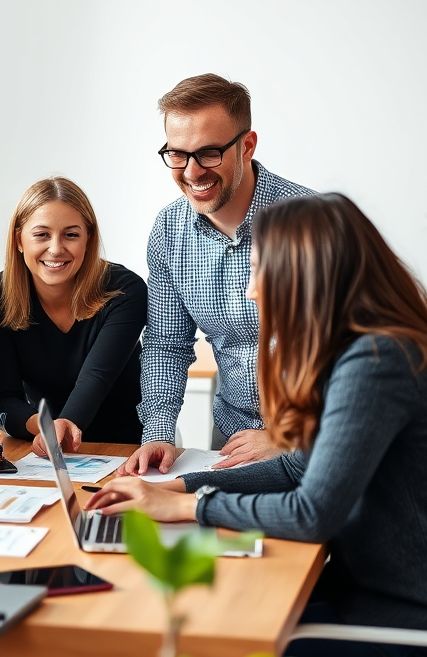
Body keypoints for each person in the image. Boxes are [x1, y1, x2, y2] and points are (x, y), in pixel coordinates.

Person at [88, 193, 427, 657]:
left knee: (159, 655)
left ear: (305, 277)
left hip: (415, 645)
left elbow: (312, 513)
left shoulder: (376, 362)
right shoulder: (371, 346)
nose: (251, 293)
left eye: (260, 273)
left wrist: (192, 508)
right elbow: (301, 468)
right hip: (402, 609)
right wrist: (180, 490)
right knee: (190, 625)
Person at [120, 73, 312, 479]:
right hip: (232, 435)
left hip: (315, 438)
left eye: (208, 153)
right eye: (177, 154)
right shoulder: (169, 232)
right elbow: (165, 344)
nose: (192, 172)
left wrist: (292, 434)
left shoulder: (308, 222)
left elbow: (353, 348)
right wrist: (158, 432)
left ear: (247, 146)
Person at [0, 177, 146, 460]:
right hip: (47, 450)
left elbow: (95, 379)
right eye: (41, 235)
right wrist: (45, 428)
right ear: (19, 240)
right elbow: (4, 398)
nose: (55, 249)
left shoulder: (124, 291)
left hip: (127, 448)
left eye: (71, 235)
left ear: (88, 239)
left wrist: (63, 426)